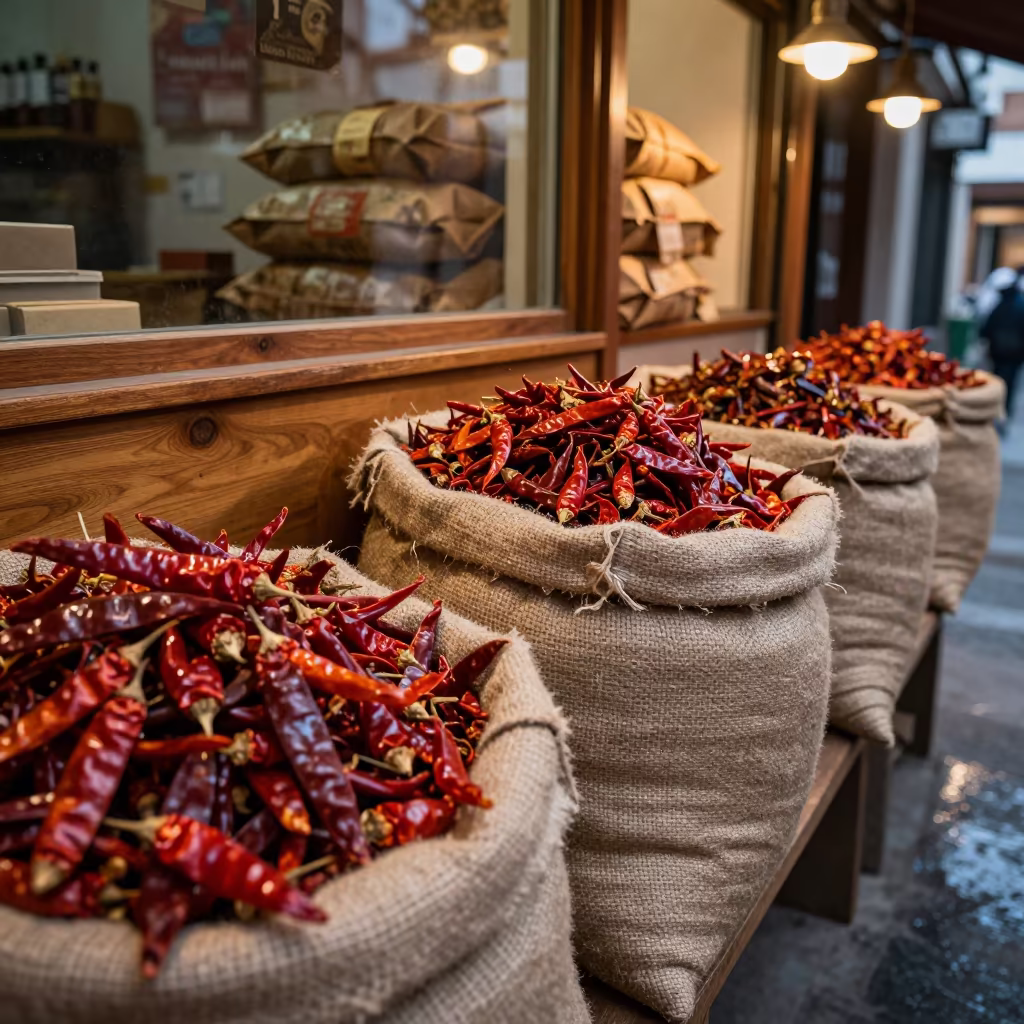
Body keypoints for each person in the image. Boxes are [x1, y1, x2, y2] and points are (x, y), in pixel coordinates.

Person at [980, 267, 1024, 426]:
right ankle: (1002, 413)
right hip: (1011, 355)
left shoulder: (1004, 305)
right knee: (1008, 384)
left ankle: (1000, 413)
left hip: (1003, 353)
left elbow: (987, 328)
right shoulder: (1018, 303)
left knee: (1001, 383)